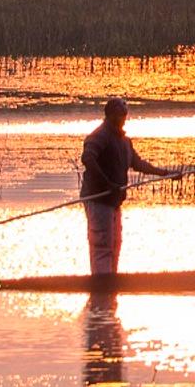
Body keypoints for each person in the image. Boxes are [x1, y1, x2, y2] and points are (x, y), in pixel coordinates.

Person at [79, 98, 166, 282]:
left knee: (115, 244)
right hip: (98, 198)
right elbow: (88, 158)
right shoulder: (99, 136)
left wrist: (165, 173)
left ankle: (110, 286)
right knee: (102, 243)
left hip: (114, 200)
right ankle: (101, 285)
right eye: (119, 115)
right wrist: (107, 183)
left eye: (124, 115)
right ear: (110, 115)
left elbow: (138, 164)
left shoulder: (125, 141)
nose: (123, 118)